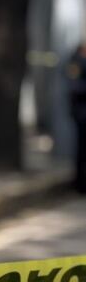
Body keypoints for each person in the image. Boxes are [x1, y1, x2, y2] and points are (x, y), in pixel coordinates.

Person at [65, 43, 86, 193]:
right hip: (82, 113)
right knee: (81, 150)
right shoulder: (76, 61)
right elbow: (74, 86)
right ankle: (80, 183)